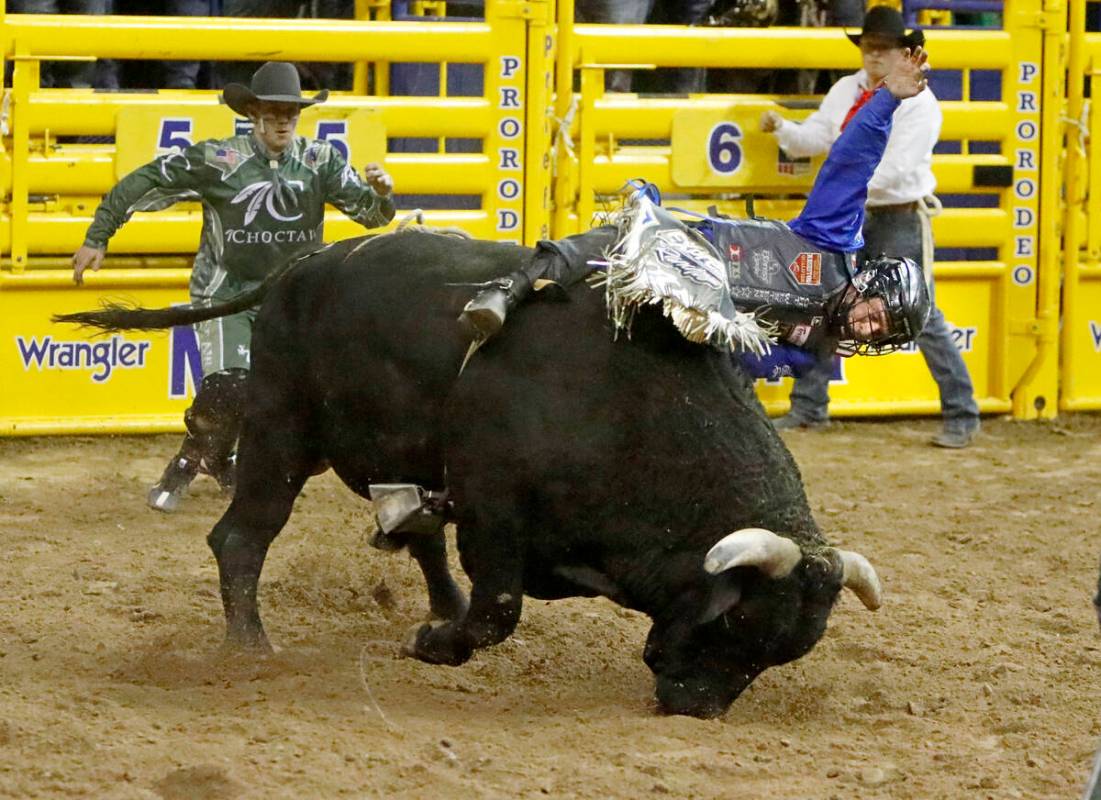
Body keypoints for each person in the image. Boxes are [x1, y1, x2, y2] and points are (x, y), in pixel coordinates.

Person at [460, 46, 934, 375]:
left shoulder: (813, 349)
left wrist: (721, 342)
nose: (866, 328)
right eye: (877, 316)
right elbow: (849, 164)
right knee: (616, 246)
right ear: (872, 286)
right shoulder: (834, 243)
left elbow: (749, 368)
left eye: (877, 334)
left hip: (687, 342)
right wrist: (886, 99)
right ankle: (511, 286)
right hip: (682, 254)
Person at [71, 61, 396, 512]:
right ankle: (191, 465)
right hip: (225, 296)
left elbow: (373, 216)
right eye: (274, 111)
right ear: (253, 113)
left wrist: (381, 193)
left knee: (309, 402)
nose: (284, 120)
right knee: (230, 390)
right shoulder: (219, 159)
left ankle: (206, 458)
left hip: (290, 300)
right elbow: (146, 179)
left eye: (291, 112)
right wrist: (98, 235)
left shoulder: (320, 161)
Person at [760, 4, 981, 448]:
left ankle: (962, 411)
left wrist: (838, 189)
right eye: (868, 48)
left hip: (892, 211)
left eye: (883, 49)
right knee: (827, 302)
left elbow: (894, 170)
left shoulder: (918, 103)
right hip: (866, 212)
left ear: (903, 53)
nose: (874, 56)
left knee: (921, 315)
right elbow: (820, 136)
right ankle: (809, 406)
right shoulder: (849, 89)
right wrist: (785, 129)